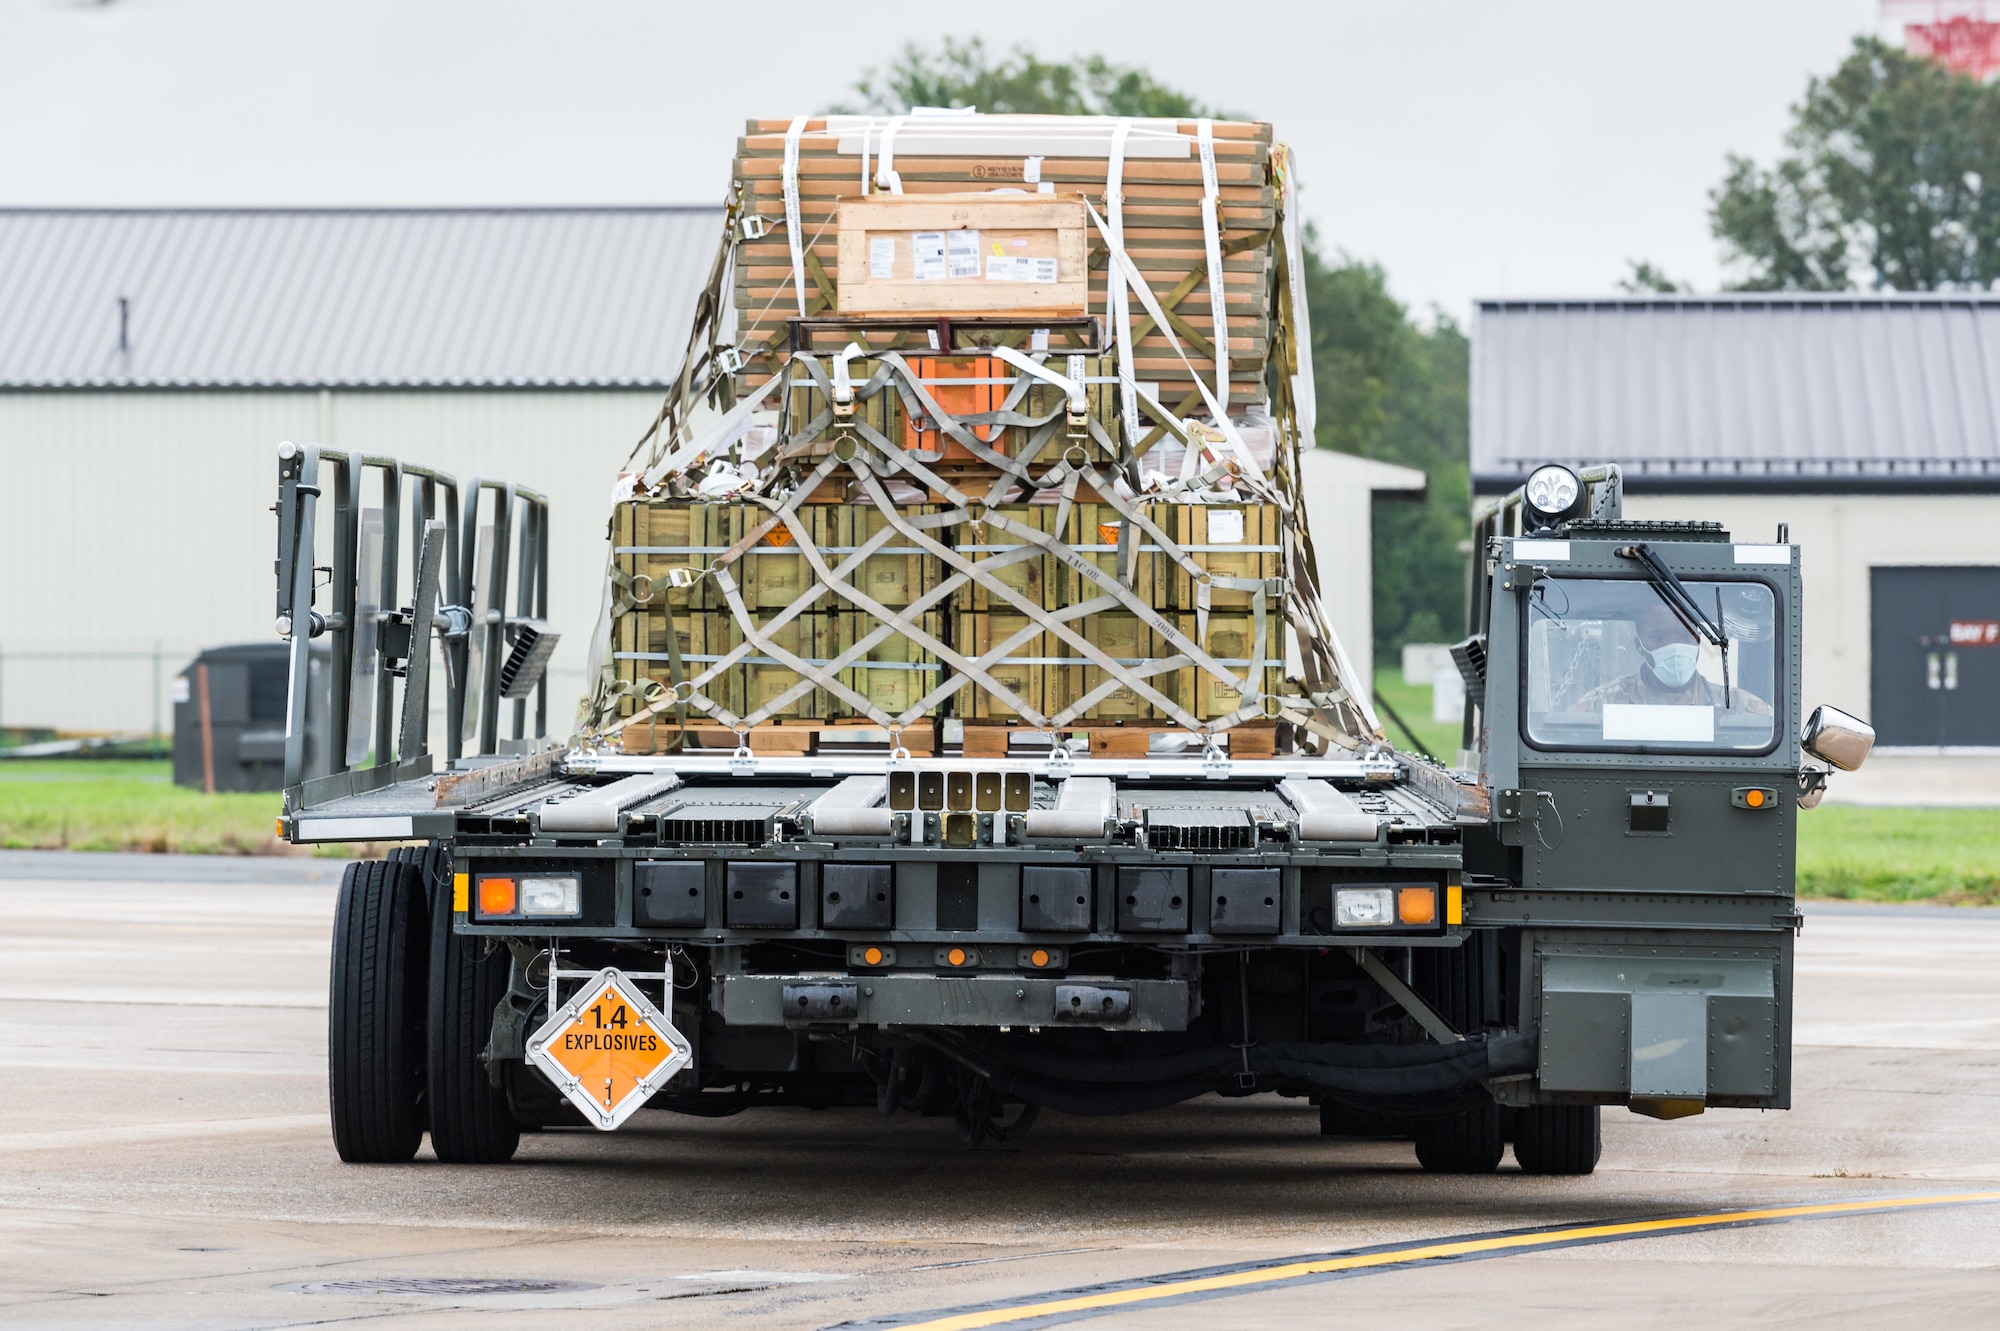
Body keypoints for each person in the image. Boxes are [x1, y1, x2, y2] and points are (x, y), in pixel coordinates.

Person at [1569, 598, 1770, 715]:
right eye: (1659, 636)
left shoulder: (1736, 707)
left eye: (1685, 635)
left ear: (1698, 640)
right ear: (1639, 647)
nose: (1674, 645)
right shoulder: (1602, 704)